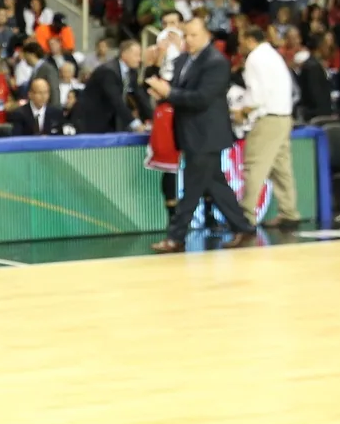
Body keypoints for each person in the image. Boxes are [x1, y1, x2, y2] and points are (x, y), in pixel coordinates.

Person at [148, 17, 257, 251]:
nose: (188, 39)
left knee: (192, 188)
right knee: (216, 185)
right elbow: (177, 89)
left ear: (207, 36)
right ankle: (244, 228)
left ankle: (176, 237)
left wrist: (170, 93)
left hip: (207, 135)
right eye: (186, 35)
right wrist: (163, 91)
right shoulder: (183, 59)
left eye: (193, 35)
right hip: (190, 133)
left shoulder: (216, 62)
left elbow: (202, 98)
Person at [236, 23, 301, 229]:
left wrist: (243, 111)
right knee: (281, 167)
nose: (239, 45)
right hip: (284, 117)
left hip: (268, 119)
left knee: (255, 166)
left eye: (241, 41)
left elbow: (258, 94)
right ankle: (289, 212)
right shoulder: (273, 54)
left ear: (249, 39)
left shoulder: (255, 58)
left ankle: (246, 215)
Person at [71, 39, 144, 134]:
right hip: (91, 119)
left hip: (109, 119)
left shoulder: (132, 72)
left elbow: (140, 96)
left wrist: (152, 118)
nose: (139, 59)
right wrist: (135, 123)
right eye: (136, 55)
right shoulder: (108, 71)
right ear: (124, 54)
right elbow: (116, 100)